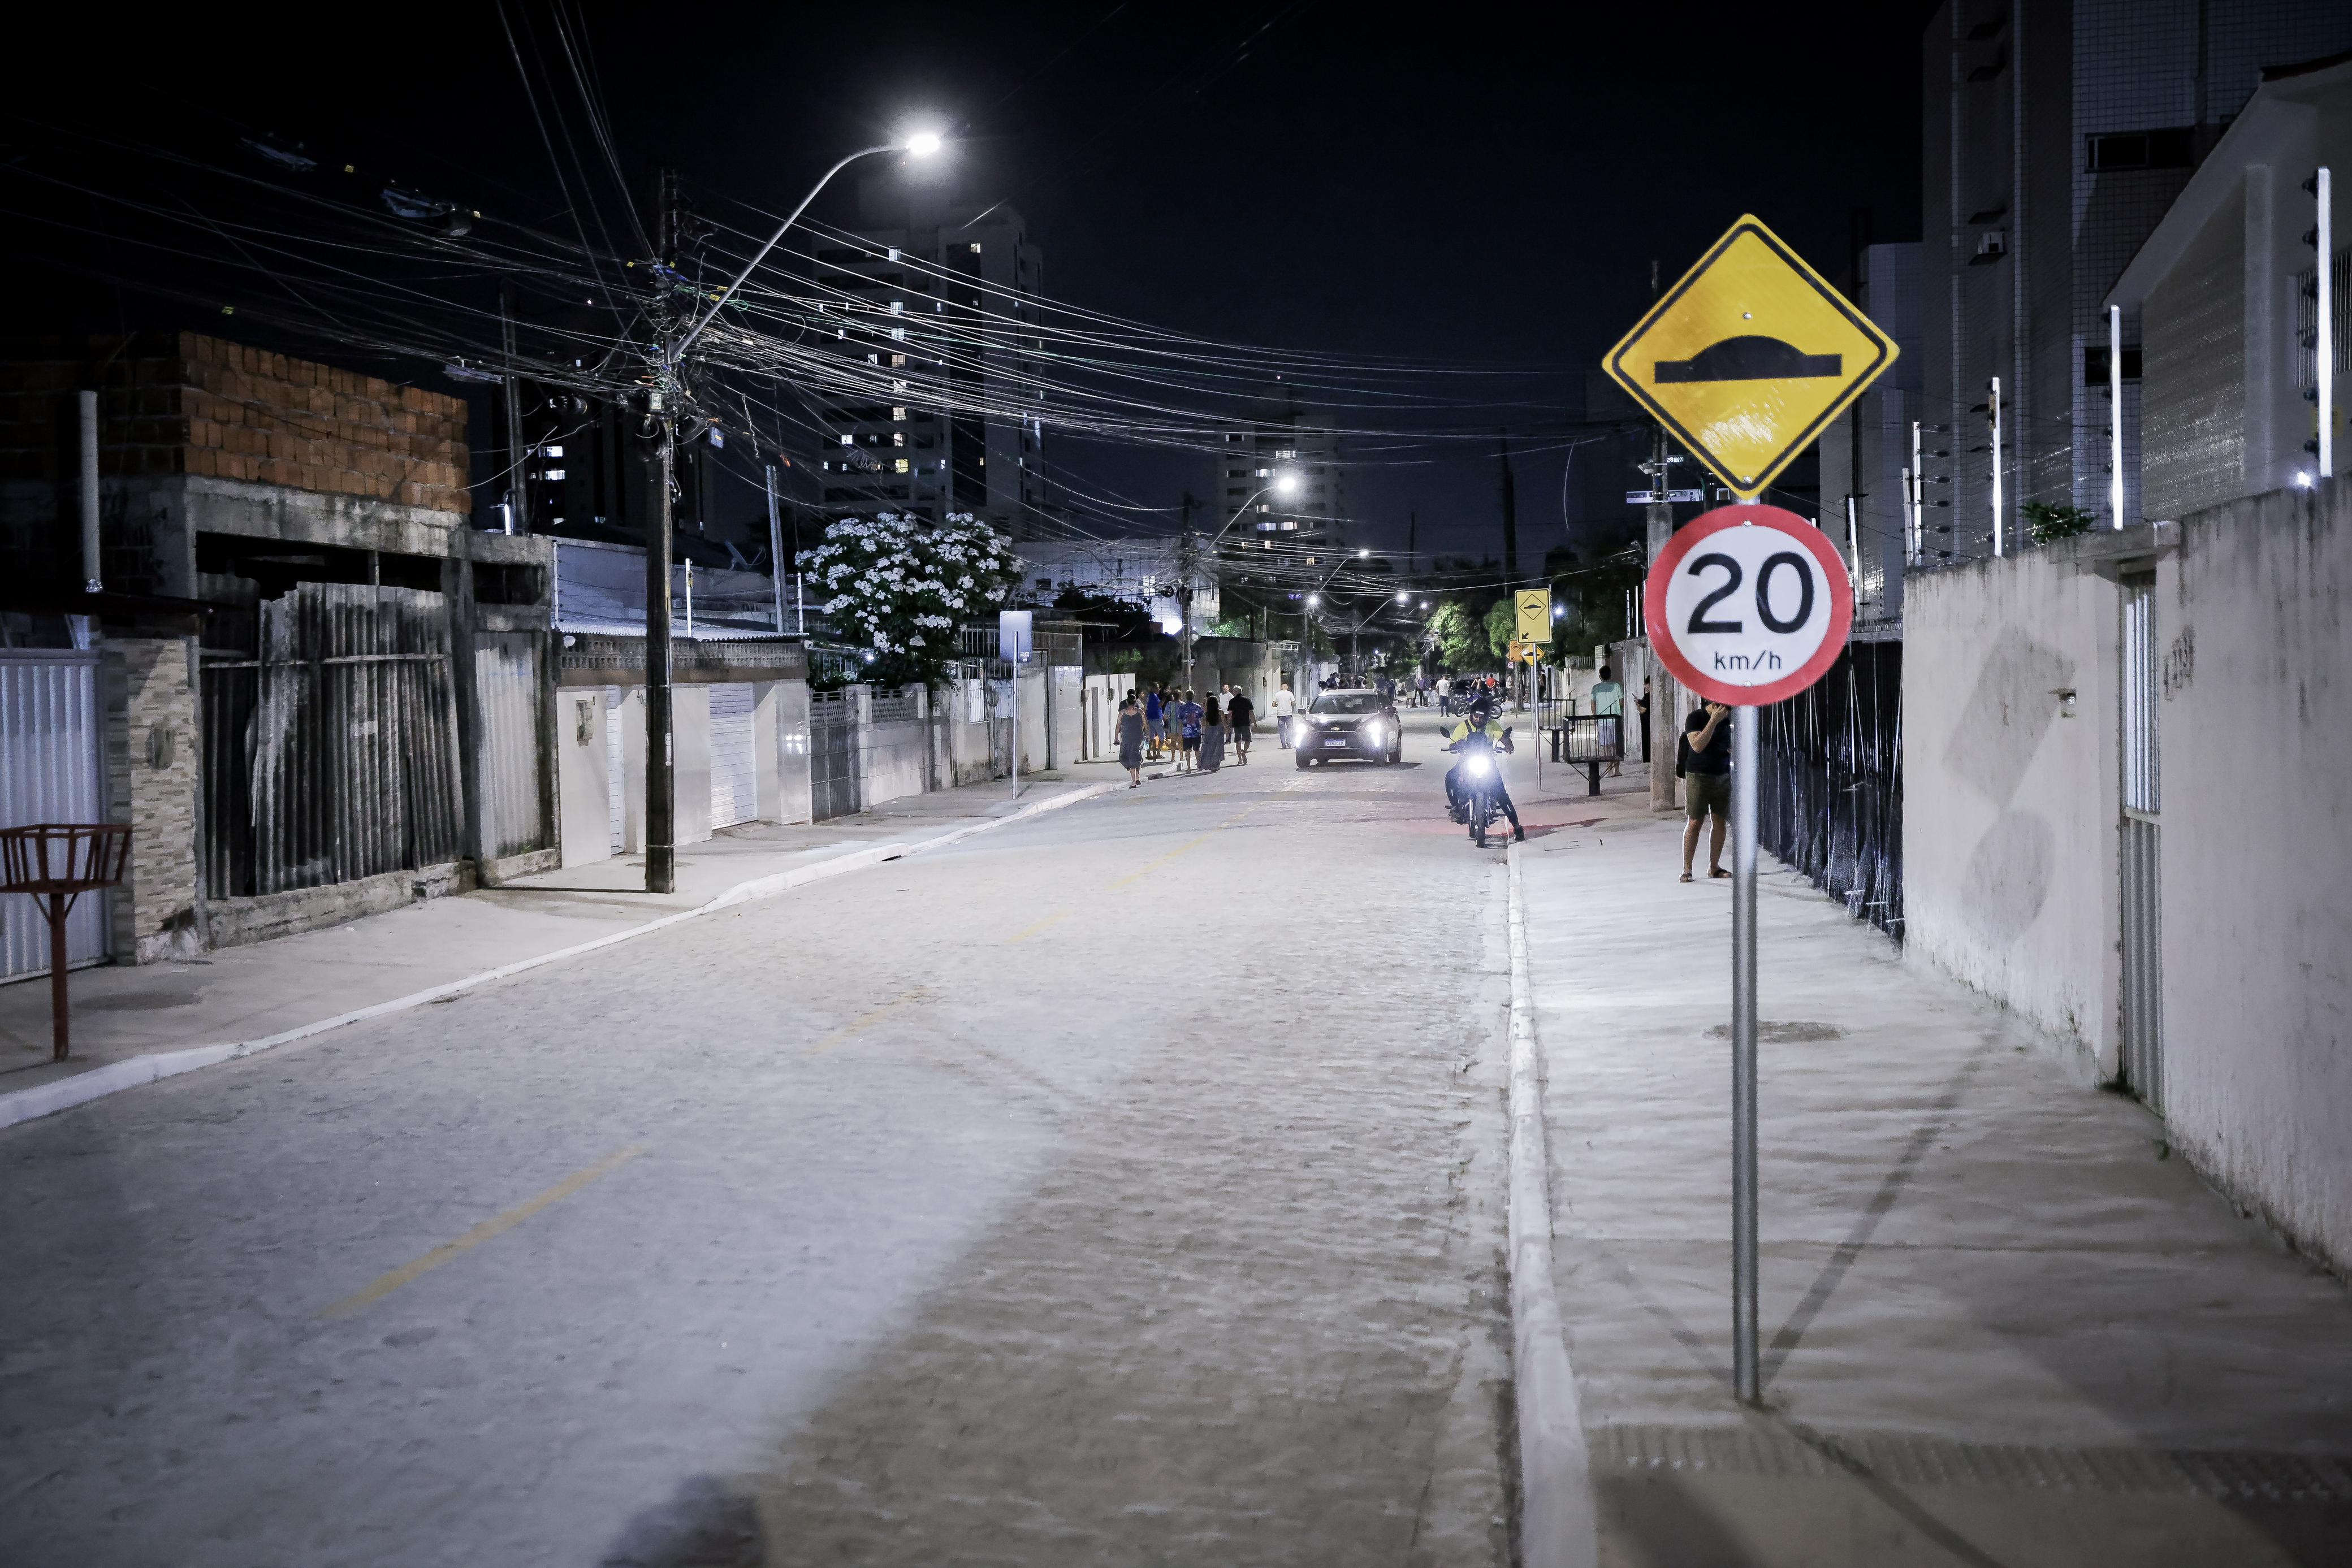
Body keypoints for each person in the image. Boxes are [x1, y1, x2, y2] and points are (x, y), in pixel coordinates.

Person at [1442, 696, 1524, 841]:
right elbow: (1452, 744)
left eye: (1482, 717)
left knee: (1501, 794)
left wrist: (1509, 745)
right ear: (1471, 714)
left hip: (1487, 763)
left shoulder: (1492, 725)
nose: (1479, 720)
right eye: (1476, 716)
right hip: (1466, 762)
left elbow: (1503, 737)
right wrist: (1456, 746)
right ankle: (1456, 807)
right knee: (1450, 777)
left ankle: (1517, 826)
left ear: (1487, 717)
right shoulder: (1463, 727)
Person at [1677, 703, 1733, 882]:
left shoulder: (1729, 720)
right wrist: (1714, 721)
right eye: (1726, 710)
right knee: (1695, 822)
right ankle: (1687, 869)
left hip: (1722, 775)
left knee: (1719, 821)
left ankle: (1714, 867)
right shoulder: (1696, 718)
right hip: (1698, 775)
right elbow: (1697, 745)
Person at [1590, 664, 1625, 778]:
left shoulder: (1595, 688)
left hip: (1602, 720)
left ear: (1600, 677)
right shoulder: (1616, 686)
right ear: (1610, 676)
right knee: (1616, 745)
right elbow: (1621, 703)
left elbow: (1593, 705)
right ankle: (1617, 770)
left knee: (1606, 746)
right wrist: (1619, 710)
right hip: (1615, 719)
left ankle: (1609, 771)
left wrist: (1595, 716)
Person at [1116, 692, 1145, 787]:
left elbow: (1118, 725)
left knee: (1129, 758)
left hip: (1128, 738)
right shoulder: (1140, 712)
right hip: (1137, 738)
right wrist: (1148, 735)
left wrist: (1116, 737)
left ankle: (1134, 781)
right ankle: (1137, 777)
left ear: (1127, 702)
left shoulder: (1123, 713)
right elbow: (1146, 724)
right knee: (1135, 757)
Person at [1177, 688, 1203, 772]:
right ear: (1193, 697)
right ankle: (1199, 766)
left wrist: (1181, 731)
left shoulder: (1182, 708)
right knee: (1197, 750)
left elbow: (1180, 721)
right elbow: (1202, 719)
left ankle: (1188, 768)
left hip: (1186, 732)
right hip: (1196, 732)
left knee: (1188, 751)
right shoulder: (1198, 707)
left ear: (1186, 697)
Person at [1199, 692, 1226, 772]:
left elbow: (1204, 725)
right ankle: (1216, 765)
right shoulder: (1220, 712)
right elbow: (1224, 722)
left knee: (1210, 748)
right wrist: (1227, 732)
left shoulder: (1207, 713)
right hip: (1219, 730)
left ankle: (1208, 764)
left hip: (1210, 730)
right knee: (1218, 747)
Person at [1228, 685, 1255, 763]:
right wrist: (1255, 723)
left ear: (1236, 692)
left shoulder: (1232, 701)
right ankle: (1244, 753)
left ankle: (1240, 759)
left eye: (1234, 691)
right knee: (1248, 740)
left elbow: (1230, 714)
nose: (1233, 692)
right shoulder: (1247, 700)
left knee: (1238, 741)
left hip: (1236, 724)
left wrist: (1227, 724)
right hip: (1246, 723)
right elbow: (1251, 713)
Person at [1272, 680, 1298, 749]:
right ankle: (1288, 740)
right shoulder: (1290, 694)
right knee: (1290, 728)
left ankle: (1283, 745)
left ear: (1281, 688)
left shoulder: (1277, 694)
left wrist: (1279, 705)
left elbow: (1273, 704)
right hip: (1289, 714)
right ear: (1287, 688)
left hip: (1280, 715)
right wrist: (1289, 704)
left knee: (1281, 730)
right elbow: (1294, 704)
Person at [1143, 685, 1166, 761]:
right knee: (1162, 737)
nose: (1158, 689)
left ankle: (1149, 753)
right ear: (1153, 689)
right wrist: (1165, 697)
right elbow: (1159, 705)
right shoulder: (1155, 697)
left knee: (1150, 738)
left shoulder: (1149, 697)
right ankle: (1158, 754)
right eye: (1157, 687)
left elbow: (1151, 708)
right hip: (1157, 719)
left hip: (1150, 719)